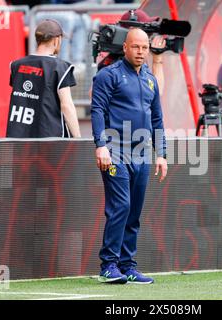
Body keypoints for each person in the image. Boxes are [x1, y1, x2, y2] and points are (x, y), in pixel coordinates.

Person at [91, 28, 167, 284]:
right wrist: (100, 145)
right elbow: (98, 110)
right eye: (136, 47)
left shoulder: (150, 79)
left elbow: (157, 118)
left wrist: (162, 153)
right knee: (120, 206)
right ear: (125, 47)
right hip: (115, 150)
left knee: (134, 210)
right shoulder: (108, 76)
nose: (141, 52)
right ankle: (108, 265)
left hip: (142, 152)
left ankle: (128, 265)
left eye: (145, 48)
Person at [6, 19, 81, 138]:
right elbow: (67, 106)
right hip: (50, 140)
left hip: (18, 137)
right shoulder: (61, 67)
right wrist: (78, 138)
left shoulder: (16, 65)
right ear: (57, 40)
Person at [97, 9, 166, 93]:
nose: (149, 36)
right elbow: (154, 93)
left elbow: (155, 94)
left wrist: (157, 58)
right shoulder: (113, 65)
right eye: (146, 31)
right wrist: (157, 61)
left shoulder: (136, 60)